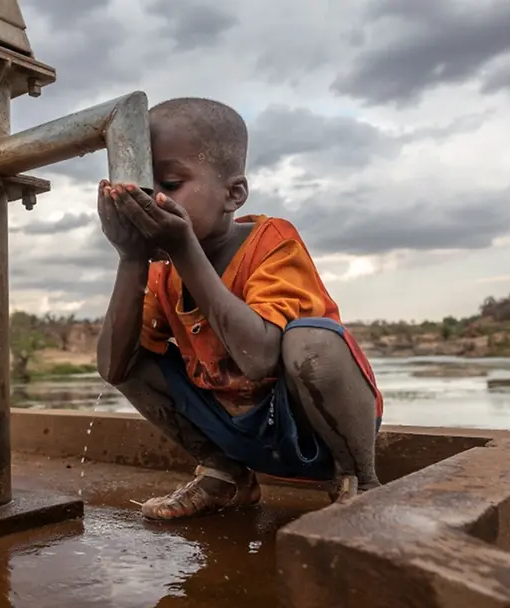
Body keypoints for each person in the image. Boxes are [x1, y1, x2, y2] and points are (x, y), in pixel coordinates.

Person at [96, 98, 383, 520]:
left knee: (310, 339)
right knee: (132, 357)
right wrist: (131, 257)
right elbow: (113, 368)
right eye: (140, 187)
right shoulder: (160, 271)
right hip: (238, 431)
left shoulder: (271, 241)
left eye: (170, 184)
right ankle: (225, 474)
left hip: (312, 429)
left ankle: (359, 480)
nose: (153, 200)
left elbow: (260, 358)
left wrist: (182, 247)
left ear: (234, 193)